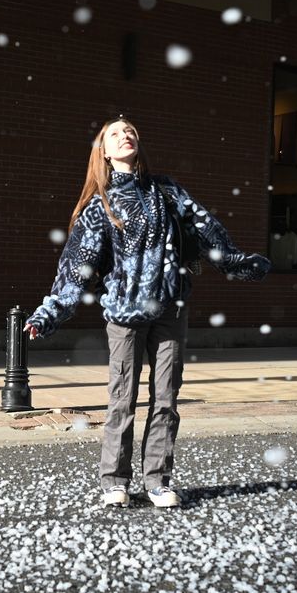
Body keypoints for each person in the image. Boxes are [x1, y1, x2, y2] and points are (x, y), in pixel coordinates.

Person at [24, 118, 270, 508]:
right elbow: (77, 266)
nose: (126, 136)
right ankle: (115, 481)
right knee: (122, 398)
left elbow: (208, 230)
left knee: (166, 397)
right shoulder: (99, 205)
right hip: (124, 314)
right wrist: (49, 312)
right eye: (116, 133)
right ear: (103, 151)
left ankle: (157, 479)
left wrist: (238, 263)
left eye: (131, 131)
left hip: (169, 310)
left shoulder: (167, 190)